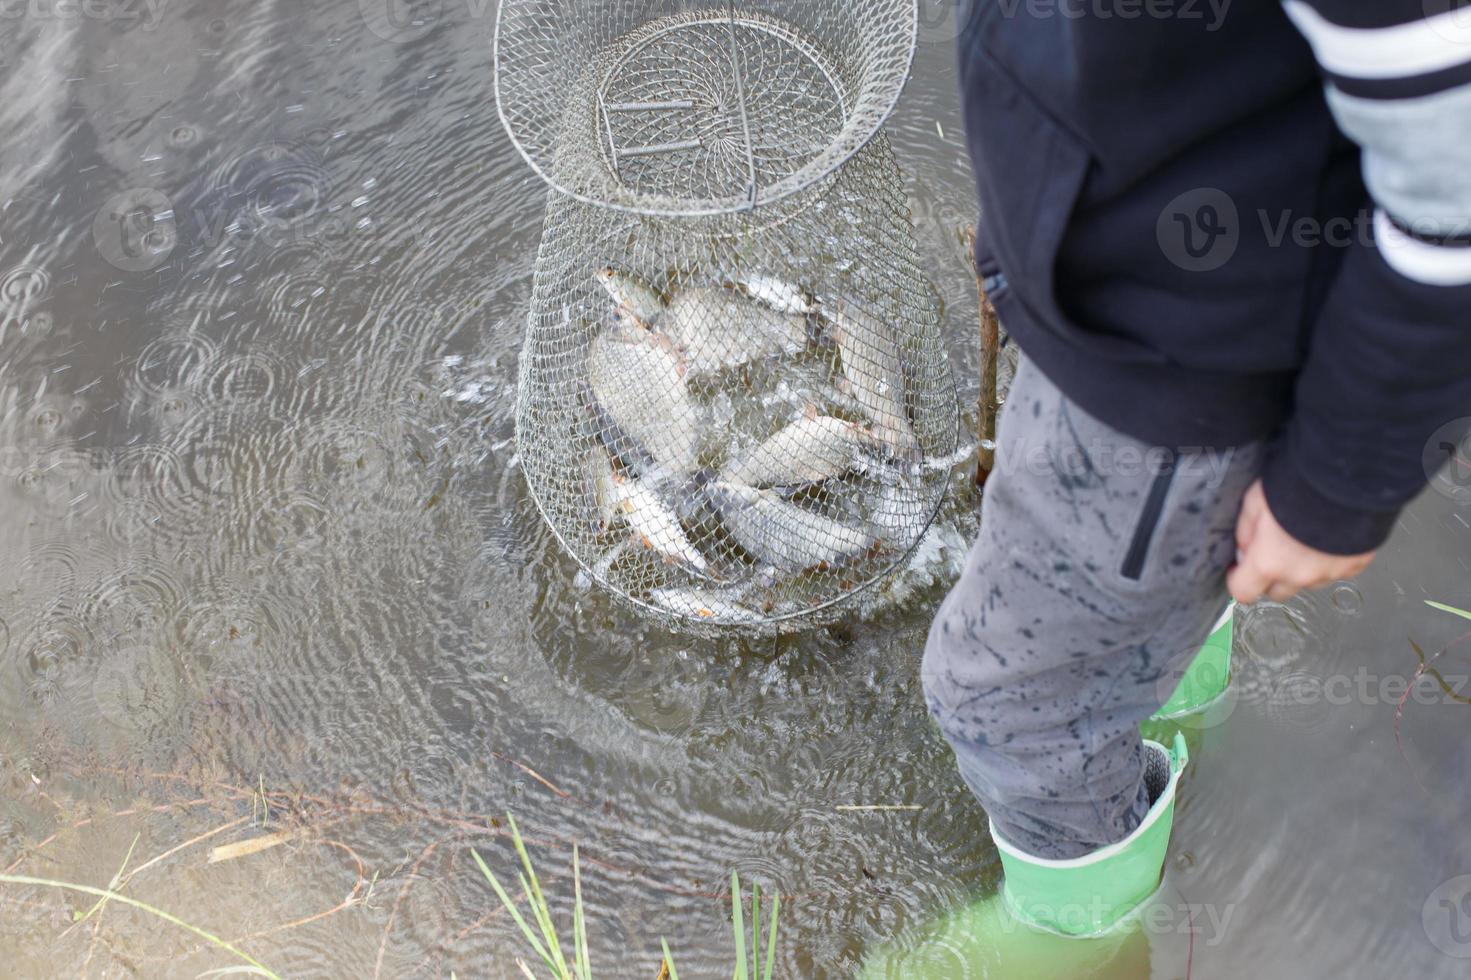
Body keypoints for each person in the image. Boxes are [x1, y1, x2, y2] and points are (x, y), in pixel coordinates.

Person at [885, 0, 1471, 968]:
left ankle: (1077, 928)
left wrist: (1335, 488)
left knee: (1003, 699)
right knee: (1135, 613)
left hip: (1173, 379)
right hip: (1110, 313)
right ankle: (1178, 702)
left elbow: (1453, 200)